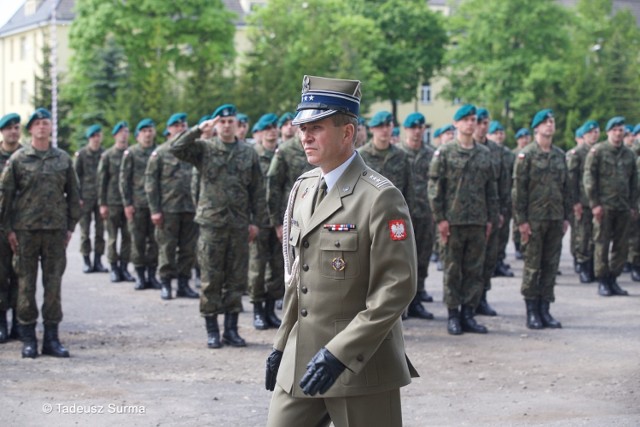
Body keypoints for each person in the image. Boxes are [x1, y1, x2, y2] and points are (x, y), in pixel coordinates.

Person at [265, 74, 418, 427]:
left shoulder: (379, 197)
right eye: (303, 127)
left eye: (316, 127)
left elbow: (396, 289)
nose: (305, 136)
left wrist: (339, 354)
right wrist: (279, 345)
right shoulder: (304, 188)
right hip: (301, 358)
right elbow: (297, 282)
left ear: (347, 133)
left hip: (359, 364)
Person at [170, 104, 266, 349]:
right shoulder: (205, 148)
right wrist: (198, 129)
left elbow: (257, 190)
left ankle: (231, 330)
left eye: (230, 121)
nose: (226, 125)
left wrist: (255, 222)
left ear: (236, 124)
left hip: (239, 224)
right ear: (216, 124)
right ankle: (212, 330)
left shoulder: (248, 152)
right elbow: (176, 148)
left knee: (236, 278)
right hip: (212, 223)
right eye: (221, 122)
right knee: (211, 277)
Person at [0, 108, 81, 358]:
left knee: (53, 286)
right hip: (25, 232)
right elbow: (6, 197)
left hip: (55, 232)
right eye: (38, 124)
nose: (43, 127)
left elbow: (74, 195)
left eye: (46, 123)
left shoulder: (63, 159)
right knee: (25, 286)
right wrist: (9, 229)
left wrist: (70, 227)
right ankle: (27, 339)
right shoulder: (19, 159)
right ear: (31, 129)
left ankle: (51, 339)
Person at [428, 104, 497, 335]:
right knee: (452, 269)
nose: (470, 123)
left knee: (474, 270)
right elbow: (435, 188)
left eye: (473, 119)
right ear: (456, 123)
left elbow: (491, 189)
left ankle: (469, 313)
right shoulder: (445, 152)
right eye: (465, 119)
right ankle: (453, 314)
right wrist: (440, 219)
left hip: (477, 221)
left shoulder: (484, 154)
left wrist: (490, 219)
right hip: (453, 222)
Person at [358, 111, 431, 320]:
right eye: (380, 126)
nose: (384, 130)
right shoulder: (361, 155)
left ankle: (403, 306)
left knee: (398, 264)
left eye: (388, 125)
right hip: (368, 218)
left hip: (394, 221)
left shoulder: (400, 156)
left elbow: (408, 191)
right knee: (369, 264)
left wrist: (408, 218)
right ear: (372, 129)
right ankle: (368, 308)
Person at [512, 109, 571, 329]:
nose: (549, 125)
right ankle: (531, 311)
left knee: (550, 265)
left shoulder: (559, 155)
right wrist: (522, 222)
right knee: (533, 266)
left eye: (552, 121)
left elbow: (567, 188)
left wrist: (566, 216)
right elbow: (519, 191)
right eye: (545, 122)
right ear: (536, 127)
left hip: (555, 218)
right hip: (533, 220)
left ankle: (545, 309)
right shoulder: (526, 155)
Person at [145, 113, 199, 300]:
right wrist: (155, 210)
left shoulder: (193, 151)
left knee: (188, 249)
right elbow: (151, 184)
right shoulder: (160, 153)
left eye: (183, 125)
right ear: (169, 129)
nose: (180, 128)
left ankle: (184, 284)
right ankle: (166, 283)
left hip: (190, 207)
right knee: (167, 248)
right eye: (176, 126)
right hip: (168, 209)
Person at [584, 116, 637, 297]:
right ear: (608, 132)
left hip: (622, 206)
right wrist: (594, 204)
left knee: (621, 246)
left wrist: (632, 206)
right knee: (602, 244)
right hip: (604, 207)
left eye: (621, 130)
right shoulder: (598, 151)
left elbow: (634, 183)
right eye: (614, 130)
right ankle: (602, 280)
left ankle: (614, 278)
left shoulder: (629, 154)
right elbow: (589, 178)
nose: (618, 133)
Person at [248, 113, 284, 330]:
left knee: (277, 268)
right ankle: (257, 311)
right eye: (267, 128)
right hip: (259, 220)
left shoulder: (282, 155)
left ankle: (271, 310)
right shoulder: (253, 155)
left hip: (278, 220)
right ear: (260, 133)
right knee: (257, 268)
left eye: (274, 127)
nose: (271, 131)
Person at [473, 109, 508, 316]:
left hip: (491, 212)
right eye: (479, 122)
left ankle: (482, 297)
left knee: (488, 259)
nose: (482, 126)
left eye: (486, 122)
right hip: (471, 214)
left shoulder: (496, 150)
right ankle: (468, 301)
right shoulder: (466, 148)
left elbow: (501, 184)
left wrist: (501, 211)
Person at [120, 118, 161, 291]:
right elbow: (124, 180)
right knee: (137, 242)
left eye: (150, 130)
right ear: (138, 135)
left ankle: (152, 275)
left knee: (155, 241)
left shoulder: (158, 152)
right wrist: (127, 203)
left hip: (155, 206)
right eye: (144, 131)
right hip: (137, 205)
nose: (147, 134)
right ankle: (140, 276)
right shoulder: (131, 153)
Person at [400, 112, 436, 306]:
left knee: (423, 255)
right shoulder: (399, 153)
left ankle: (419, 292)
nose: (416, 132)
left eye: (420, 128)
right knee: (402, 258)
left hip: (425, 213)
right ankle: (404, 298)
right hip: (402, 215)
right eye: (412, 128)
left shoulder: (431, 154)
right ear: (406, 129)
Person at [97, 121, 135, 283]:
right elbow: (102, 181)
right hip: (112, 201)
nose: (124, 135)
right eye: (120, 132)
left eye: (126, 131)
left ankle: (124, 267)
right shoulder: (107, 155)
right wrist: (102, 203)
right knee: (112, 237)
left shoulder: (131, 153)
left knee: (127, 236)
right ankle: (113, 267)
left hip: (128, 202)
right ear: (114, 135)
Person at [566, 120, 599, 283]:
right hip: (582, 201)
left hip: (596, 202)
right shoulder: (577, 153)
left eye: (596, 132)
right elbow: (571, 180)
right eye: (590, 132)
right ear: (584, 135)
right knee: (583, 235)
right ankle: (583, 266)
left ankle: (593, 265)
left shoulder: (599, 152)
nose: (593, 135)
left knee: (596, 236)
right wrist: (574, 202)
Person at [0, 113, 22, 342]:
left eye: (16, 127)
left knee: (21, 276)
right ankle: (1, 323)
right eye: (9, 128)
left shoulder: (26, 156)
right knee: (0, 275)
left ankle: (18, 322)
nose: (13, 132)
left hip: (22, 225)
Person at [75, 124, 108, 274]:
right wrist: (78, 197)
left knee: (100, 231)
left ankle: (98, 261)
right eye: (93, 136)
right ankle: (86, 261)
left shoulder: (104, 154)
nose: (96, 139)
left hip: (101, 198)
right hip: (85, 198)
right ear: (89, 138)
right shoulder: (81, 155)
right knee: (85, 231)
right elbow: (75, 178)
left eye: (98, 136)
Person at [488, 120, 515, 278]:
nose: (499, 136)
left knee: (502, 234)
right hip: (489, 201)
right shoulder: (485, 151)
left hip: (503, 200)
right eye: (495, 133)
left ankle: (499, 261)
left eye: (501, 133)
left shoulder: (508, 154)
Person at [511, 127, 532, 260]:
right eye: (522, 138)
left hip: (530, 193)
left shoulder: (530, 153)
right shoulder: (514, 154)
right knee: (517, 221)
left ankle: (526, 247)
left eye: (527, 137)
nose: (525, 140)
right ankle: (518, 245)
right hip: (516, 191)